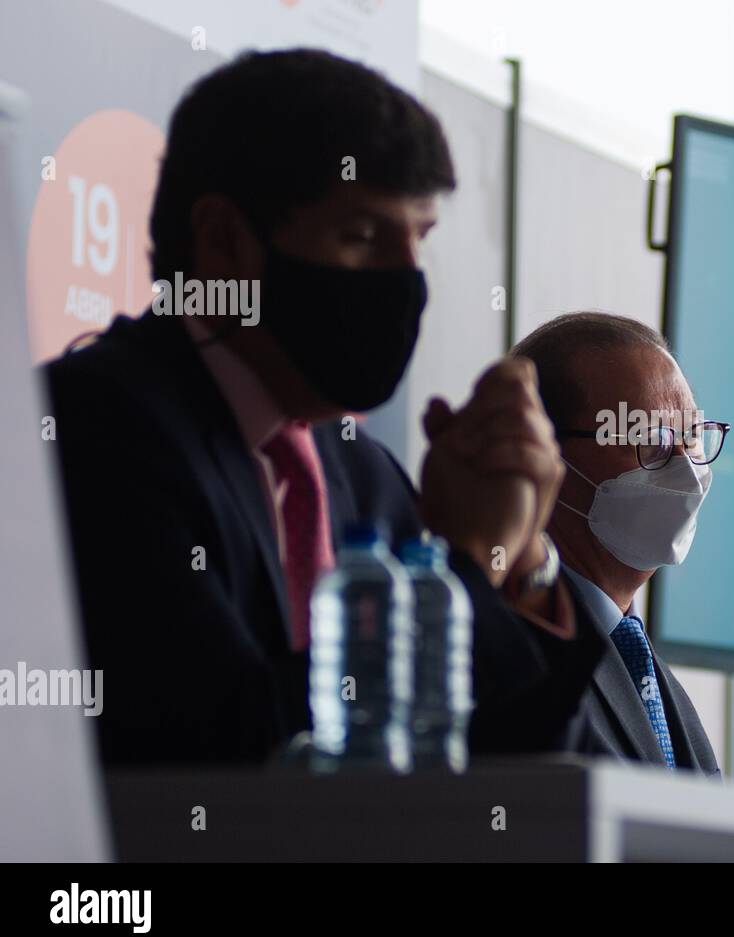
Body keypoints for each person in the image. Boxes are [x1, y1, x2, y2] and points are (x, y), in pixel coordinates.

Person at [42, 49, 600, 764]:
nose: (404, 281)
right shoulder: (93, 426)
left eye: (418, 241)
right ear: (222, 243)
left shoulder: (369, 476)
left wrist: (521, 560)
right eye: (362, 237)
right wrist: (455, 573)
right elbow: (220, 747)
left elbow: (526, 776)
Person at [508, 312, 725, 773]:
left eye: (692, 437)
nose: (686, 469)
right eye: (652, 441)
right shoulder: (506, 656)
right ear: (544, 451)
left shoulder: (658, 684)